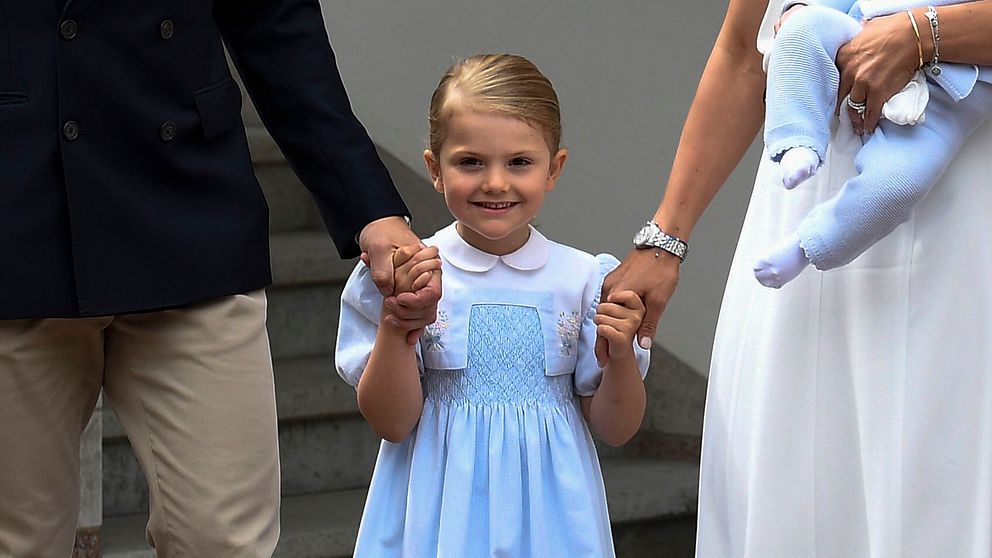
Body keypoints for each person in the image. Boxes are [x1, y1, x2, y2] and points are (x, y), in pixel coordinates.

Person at [0, 2, 437, 557]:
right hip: (16, 220)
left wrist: (370, 210)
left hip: (188, 211)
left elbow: (278, 29)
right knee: (17, 542)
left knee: (223, 539)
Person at [602, 0, 992, 555]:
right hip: (797, 236)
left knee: (943, 482)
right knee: (791, 484)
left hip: (962, 227)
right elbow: (742, 56)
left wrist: (923, 33)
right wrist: (667, 235)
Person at [334, 53, 651, 557]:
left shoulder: (585, 280)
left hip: (550, 520)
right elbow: (390, 422)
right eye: (470, 162)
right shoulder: (405, 273)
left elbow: (616, 428)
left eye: (519, 162)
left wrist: (620, 359)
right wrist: (396, 325)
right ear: (435, 170)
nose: (496, 182)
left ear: (554, 168)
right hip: (438, 512)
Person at [754, 0, 992, 288]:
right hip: (858, 30)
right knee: (801, 28)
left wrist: (919, 35)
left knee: (897, 184)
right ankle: (797, 141)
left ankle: (808, 245)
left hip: (945, 98)